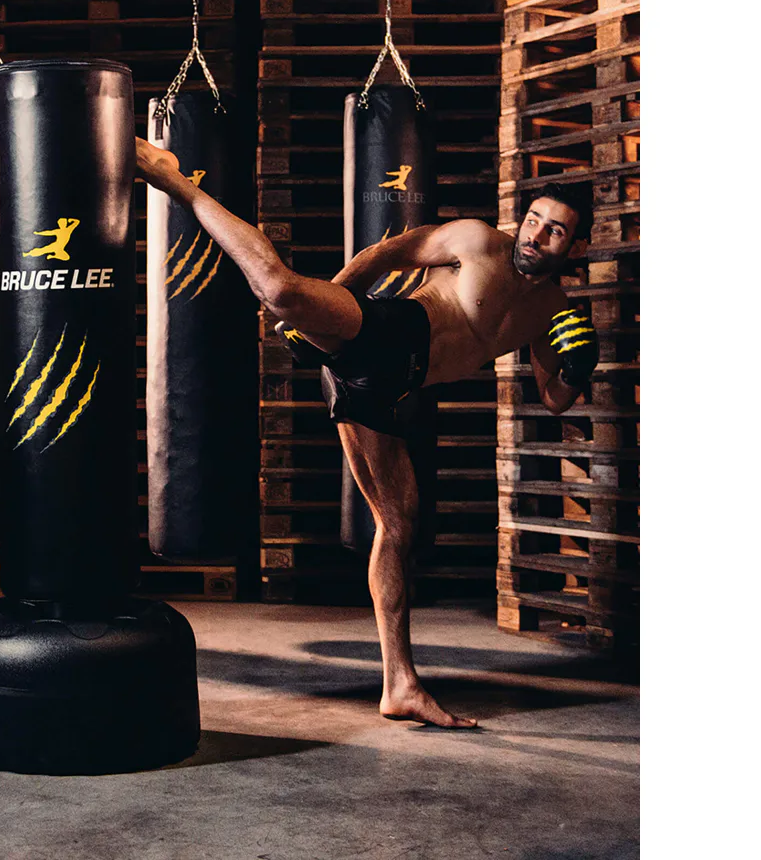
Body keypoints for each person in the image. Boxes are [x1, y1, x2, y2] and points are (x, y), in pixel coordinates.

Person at [135, 138, 598, 729]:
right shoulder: (477, 239)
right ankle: (175, 181)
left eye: (555, 231)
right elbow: (389, 251)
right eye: (533, 220)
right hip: (387, 332)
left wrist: (577, 369)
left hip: (387, 390)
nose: (535, 235)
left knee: (397, 526)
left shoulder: (552, 309)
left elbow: (554, 399)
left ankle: (400, 686)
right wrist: (335, 300)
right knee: (280, 290)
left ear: (576, 246)